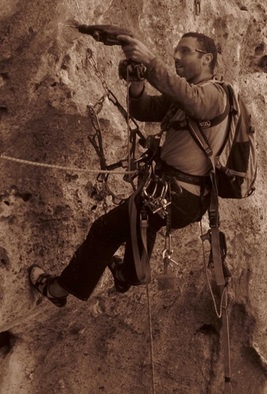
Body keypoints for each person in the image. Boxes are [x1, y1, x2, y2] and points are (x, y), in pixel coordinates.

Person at [29, 32, 229, 307]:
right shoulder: (185, 97)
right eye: (176, 51)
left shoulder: (214, 94)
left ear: (207, 58)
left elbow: (189, 97)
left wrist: (150, 60)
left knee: (105, 230)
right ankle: (129, 273)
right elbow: (144, 109)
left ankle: (61, 290)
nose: (176, 57)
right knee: (134, 222)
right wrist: (137, 84)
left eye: (185, 51)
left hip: (178, 193)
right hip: (177, 195)